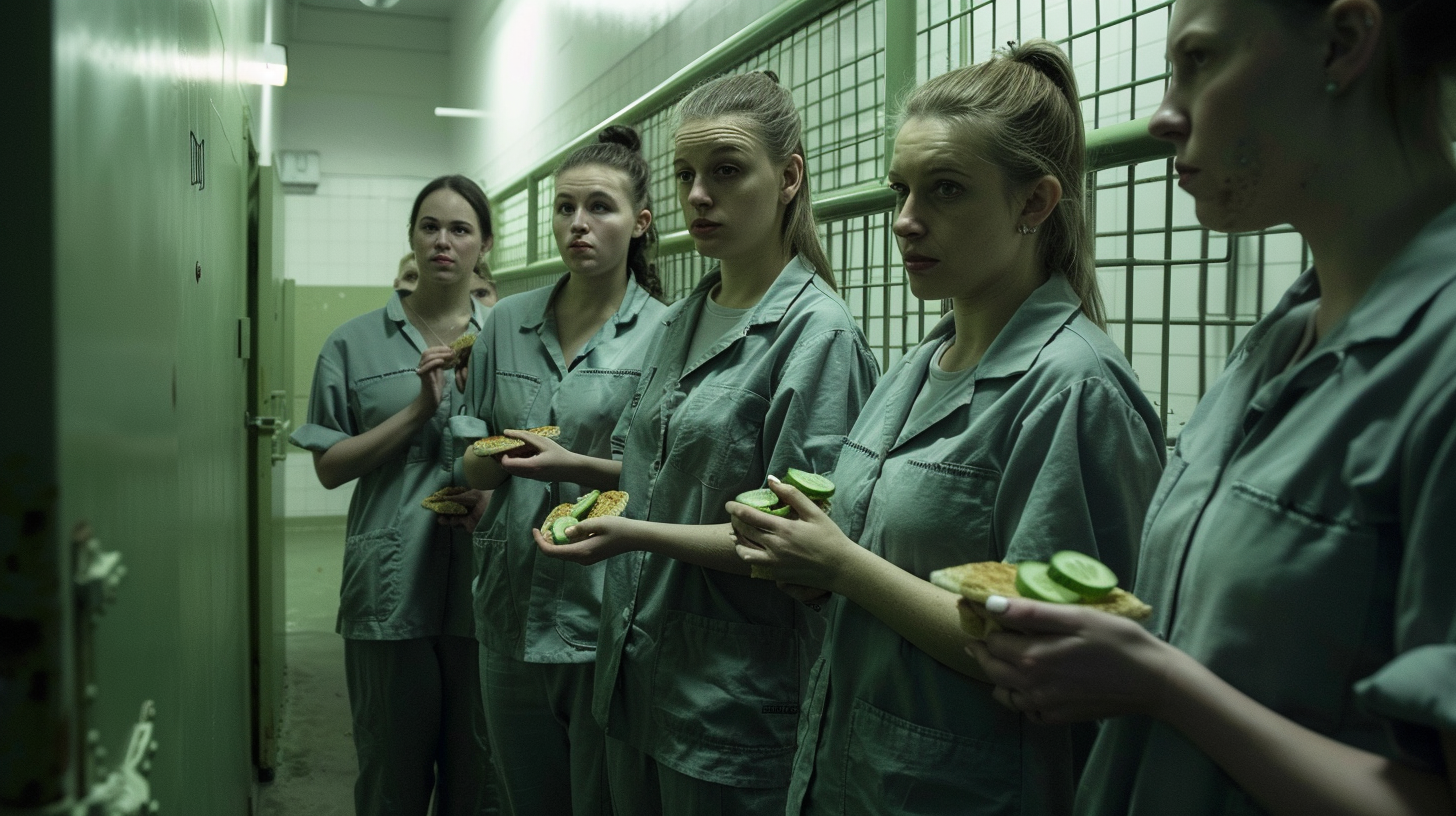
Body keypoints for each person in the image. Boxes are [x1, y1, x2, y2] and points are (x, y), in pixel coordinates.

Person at [961, 1, 1456, 815]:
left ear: (1344, 41)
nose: (1162, 115)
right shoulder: (1277, 341)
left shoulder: (1437, 362)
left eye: (1198, 60)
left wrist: (1158, 683)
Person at [725, 40, 1167, 816]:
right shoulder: (913, 369)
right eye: (902, 190)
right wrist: (811, 567)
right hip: (851, 774)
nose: (905, 221)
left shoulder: (1073, 390)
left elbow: (1048, 652)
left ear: (1034, 204)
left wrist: (843, 568)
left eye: (947, 191)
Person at [492, 71, 880, 814]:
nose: (699, 195)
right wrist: (580, 465)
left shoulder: (816, 335)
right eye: (685, 175)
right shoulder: (682, 319)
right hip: (634, 675)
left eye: (727, 171)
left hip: (729, 699)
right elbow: (671, 469)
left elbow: (794, 542)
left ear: (789, 177)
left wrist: (629, 535)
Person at [452, 125, 668, 816]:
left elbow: (659, 474)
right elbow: (471, 441)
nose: (578, 224)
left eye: (600, 208)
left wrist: (572, 464)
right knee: (525, 799)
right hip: (509, 609)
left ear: (640, 222)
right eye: (564, 208)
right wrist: (481, 464)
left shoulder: (669, 333)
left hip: (605, 614)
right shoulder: (504, 324)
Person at [290, 174, 501, 816]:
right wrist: (416, 411)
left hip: (484, 584)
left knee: (481, 779)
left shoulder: (510, 340)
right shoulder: (353, 344)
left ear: (483, 244)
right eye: (429, 226)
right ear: (411, 238)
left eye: (460, 229)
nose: (443, 241)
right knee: (391, 777)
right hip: (388, 589)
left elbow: (532, 449)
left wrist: (493, 497)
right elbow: (330, 467)